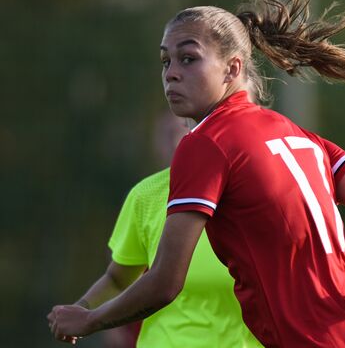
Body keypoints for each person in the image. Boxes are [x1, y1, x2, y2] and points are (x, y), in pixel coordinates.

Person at [48, 0, 345, 347]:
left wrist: (90, 318)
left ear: (232, 68)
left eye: (188, 58)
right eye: (165, 61)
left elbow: (165, 282)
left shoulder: (207, 143)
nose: (171, 73)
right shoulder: (300, 136)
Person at [53, 114, 261, 347]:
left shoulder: (262, 193)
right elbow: (118, 278)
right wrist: (82, 309)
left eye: (178, 132)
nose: (173, 141)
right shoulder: (146, 195)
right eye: (166, 134)